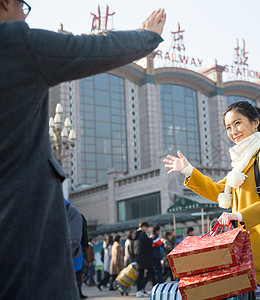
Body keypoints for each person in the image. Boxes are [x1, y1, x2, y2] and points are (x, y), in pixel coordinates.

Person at [0, 2, 165, 298]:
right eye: (23, 5)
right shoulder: (15, 43)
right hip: (21, 246)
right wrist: (146, 36)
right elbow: (90, 48)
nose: (24, 14)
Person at [164, 101, 260, 300]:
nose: (233, 131)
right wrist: (188, 170)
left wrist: (239, 215)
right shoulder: (242, 162)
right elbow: (218, 190)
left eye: (238, 123)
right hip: (242, 255)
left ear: (256, 123)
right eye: (228, 127)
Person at [65, 200, 88, 299]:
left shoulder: (71, 212)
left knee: (76, 278)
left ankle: (79, 294)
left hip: (73, 255)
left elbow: (74, 240)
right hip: (76, 252)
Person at [134, 221, 156, 298]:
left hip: (139, 258)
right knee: (151, 273)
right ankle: (143, 289)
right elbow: (148, 243)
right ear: (143, 227)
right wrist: (151, 238)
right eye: (146, 227)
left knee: (141, 274)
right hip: (144, 258)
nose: (146, 229)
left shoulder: (136, 234)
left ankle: (139, 290)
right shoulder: (142, 234)